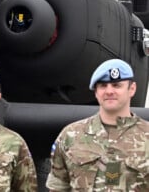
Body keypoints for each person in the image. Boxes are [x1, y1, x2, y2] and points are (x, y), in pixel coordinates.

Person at [46, 58, 149, 190]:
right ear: (96, 92)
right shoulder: (70, 136)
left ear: (132, 89)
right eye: (103, 86)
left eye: (116, 85)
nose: (109, 91)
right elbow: (58, 186)